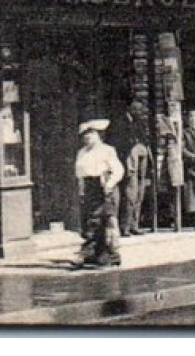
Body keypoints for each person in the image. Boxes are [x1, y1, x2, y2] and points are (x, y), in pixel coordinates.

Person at [72, 118, 124, 269]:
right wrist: (81, 189)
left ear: (98, 135)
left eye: (91, 134)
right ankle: (99, 254)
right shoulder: (81, 153)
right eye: (85, 135)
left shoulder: (107, 150)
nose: (87, 138)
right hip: (89, 187)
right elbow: (79, 173)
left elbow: (118, 170)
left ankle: (109, 253)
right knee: (91, 219)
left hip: (104, 187)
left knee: (103, 220)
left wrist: (109, 184)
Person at [110, 101, 152, 238]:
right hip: (130, 158)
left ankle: (135, 224)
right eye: (137, 110)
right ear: (130, 109)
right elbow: (121, 144)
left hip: (142, 157)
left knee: (140, 191)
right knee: (130, 192)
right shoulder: (121, 123)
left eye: (141, 110)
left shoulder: (139, 123)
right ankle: (125, 226)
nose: (140, 113)